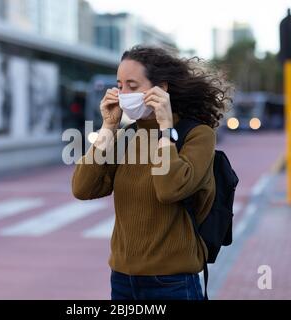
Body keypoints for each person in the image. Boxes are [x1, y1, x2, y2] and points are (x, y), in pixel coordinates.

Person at [72, 45, 233, 300]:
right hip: (122, 279)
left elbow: (169, 189)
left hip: (172, 282)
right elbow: (82, 188)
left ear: (162, 89)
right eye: (120, 85)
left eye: (132, 86)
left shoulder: (197, 135)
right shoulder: (127, 136)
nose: (122, 94)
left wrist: (165, 128)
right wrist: (108, 128)